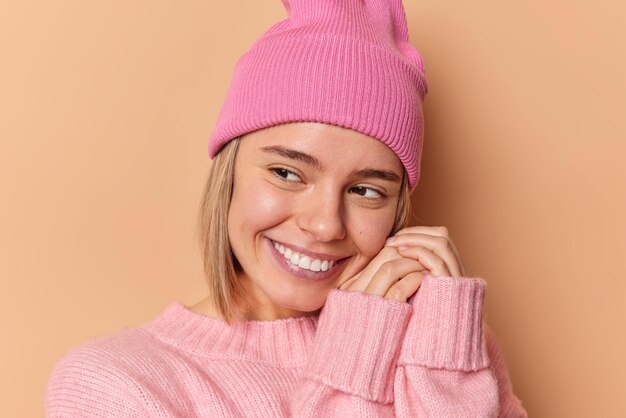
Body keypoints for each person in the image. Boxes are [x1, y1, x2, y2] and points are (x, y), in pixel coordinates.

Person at [45, 0, 528, 416]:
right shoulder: (118, 385)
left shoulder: (444, 346)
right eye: (287, 173)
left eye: (366, 190)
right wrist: (354, 357)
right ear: (228, 173)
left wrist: (445, 361)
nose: (323, 224)